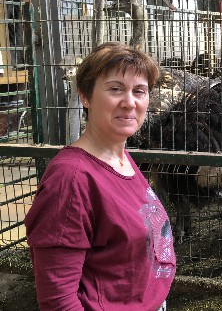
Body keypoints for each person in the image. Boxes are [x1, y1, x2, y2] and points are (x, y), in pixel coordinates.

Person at [25, 42, 176, 310]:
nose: (129, 102)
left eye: (139, 91)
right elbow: (58, 302)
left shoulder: (120, 156)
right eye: (115, 89)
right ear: (85, 96)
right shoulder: (70, 179)